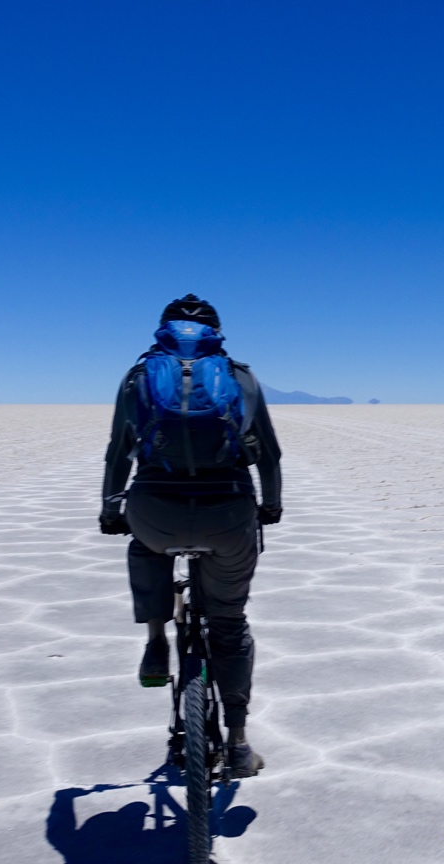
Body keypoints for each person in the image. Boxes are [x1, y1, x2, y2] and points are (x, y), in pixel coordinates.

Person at [100, 294, 283, 777]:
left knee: (145, 543)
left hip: (155, 506)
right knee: (228, 625)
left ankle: (156, 638)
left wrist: (110, 507)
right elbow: (269, 454)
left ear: (163, 330)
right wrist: (270, 506)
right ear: (217, 334)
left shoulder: (139, 376)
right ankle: (240, 745)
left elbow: (118, 452)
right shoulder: (239, 377)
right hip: (228, 513)